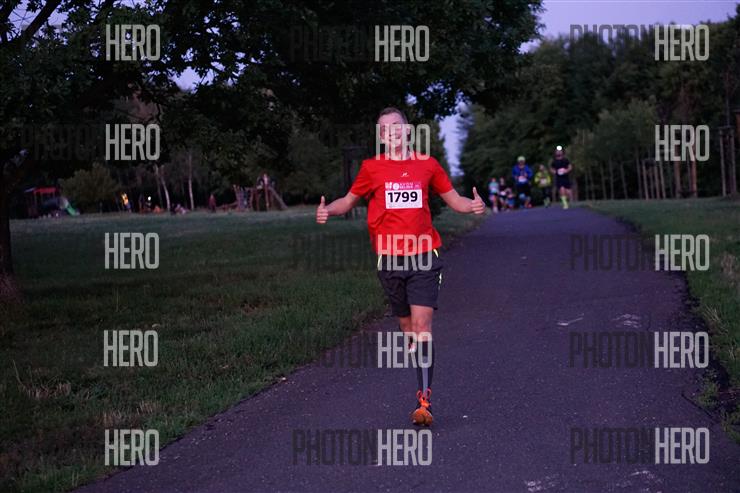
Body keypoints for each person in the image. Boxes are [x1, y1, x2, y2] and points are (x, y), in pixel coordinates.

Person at [316, 107, 485, 426]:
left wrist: (472, 205)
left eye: (396, 126)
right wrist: (329, 210)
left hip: (424, 255)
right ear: (381, 137)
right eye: (384, 129)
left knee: (422, 328)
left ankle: (424, 402)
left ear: (407, 130)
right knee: (408, 328)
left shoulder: (427, 165)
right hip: (390, 259)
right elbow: (348, 201)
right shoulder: (371, 168)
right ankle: (417, 356)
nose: (391, 132)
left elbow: (454, 200)